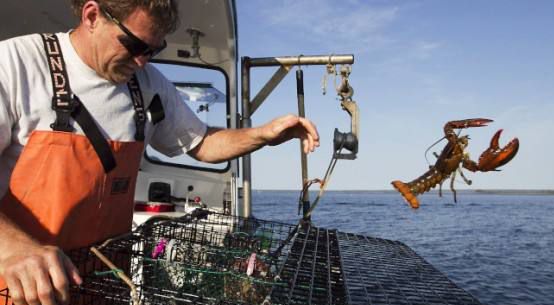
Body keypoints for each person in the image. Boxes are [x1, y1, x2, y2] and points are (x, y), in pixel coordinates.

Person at [0, 1, 320, 304]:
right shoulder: (17, 65)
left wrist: (263, 134)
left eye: (154, 50)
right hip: (19, 291)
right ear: (92, 15)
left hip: (105, 285)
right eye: (136, 46)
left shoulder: (149, 85)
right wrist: (14, 248)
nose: (143, 61)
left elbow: (203, 143)